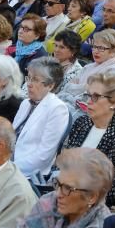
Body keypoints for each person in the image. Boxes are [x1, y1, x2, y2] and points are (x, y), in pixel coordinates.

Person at [61, 72, 115, 208]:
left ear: (114, 102)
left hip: (97, 204)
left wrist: (80, 196)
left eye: (96, 97)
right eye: (88, 95)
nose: (88, 101)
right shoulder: (82, 122)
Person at [12, 56, 70, 184]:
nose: (29, 84)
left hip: (29, 173)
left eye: (35, 80)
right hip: (9, 161)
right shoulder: (26, 103)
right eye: (29, 78)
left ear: (50, 85)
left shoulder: (57, 108)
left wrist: (9, 168)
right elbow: (12, 136)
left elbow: (44, 156)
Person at [57, 29, 115, 110]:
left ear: (113, 51)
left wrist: (73, 89)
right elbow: (66, 88)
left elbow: (89, 98)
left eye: (101, 48)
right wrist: (84, 87)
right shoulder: (88, 67)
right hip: (67, 105)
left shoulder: (114, 71)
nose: (95, 51)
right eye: (94, 47)